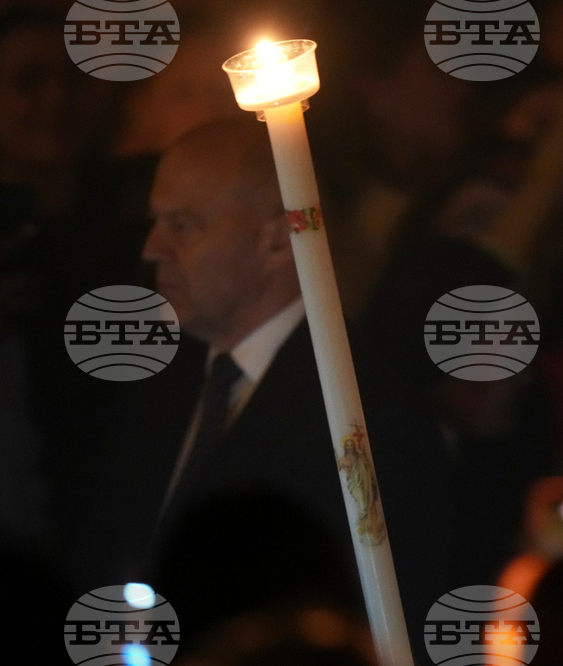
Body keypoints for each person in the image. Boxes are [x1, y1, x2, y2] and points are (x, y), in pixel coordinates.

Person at [72, 121, 445, 660]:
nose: (152, 249)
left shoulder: (367, 418)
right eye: (156, 221)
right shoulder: (159, 379)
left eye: (183, 226)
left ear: (275, 242)